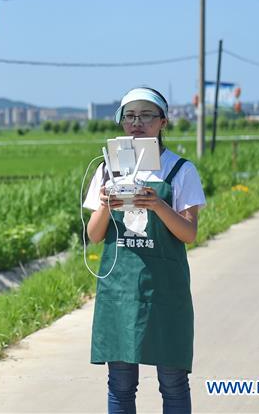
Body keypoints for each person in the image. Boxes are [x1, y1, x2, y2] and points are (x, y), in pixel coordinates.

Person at [82, 87, 206, 414]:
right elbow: (94, 236)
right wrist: (107, 204)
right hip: (119, 290)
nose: (137, 123)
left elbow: (188, 232)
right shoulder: (107, 169)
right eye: (130, 116)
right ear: (122, 123)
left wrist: (158, 205)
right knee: (120, 383)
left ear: (163, 121)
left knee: (173, 380)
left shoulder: (180, 170)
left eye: (147, 115)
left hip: (165, 290)